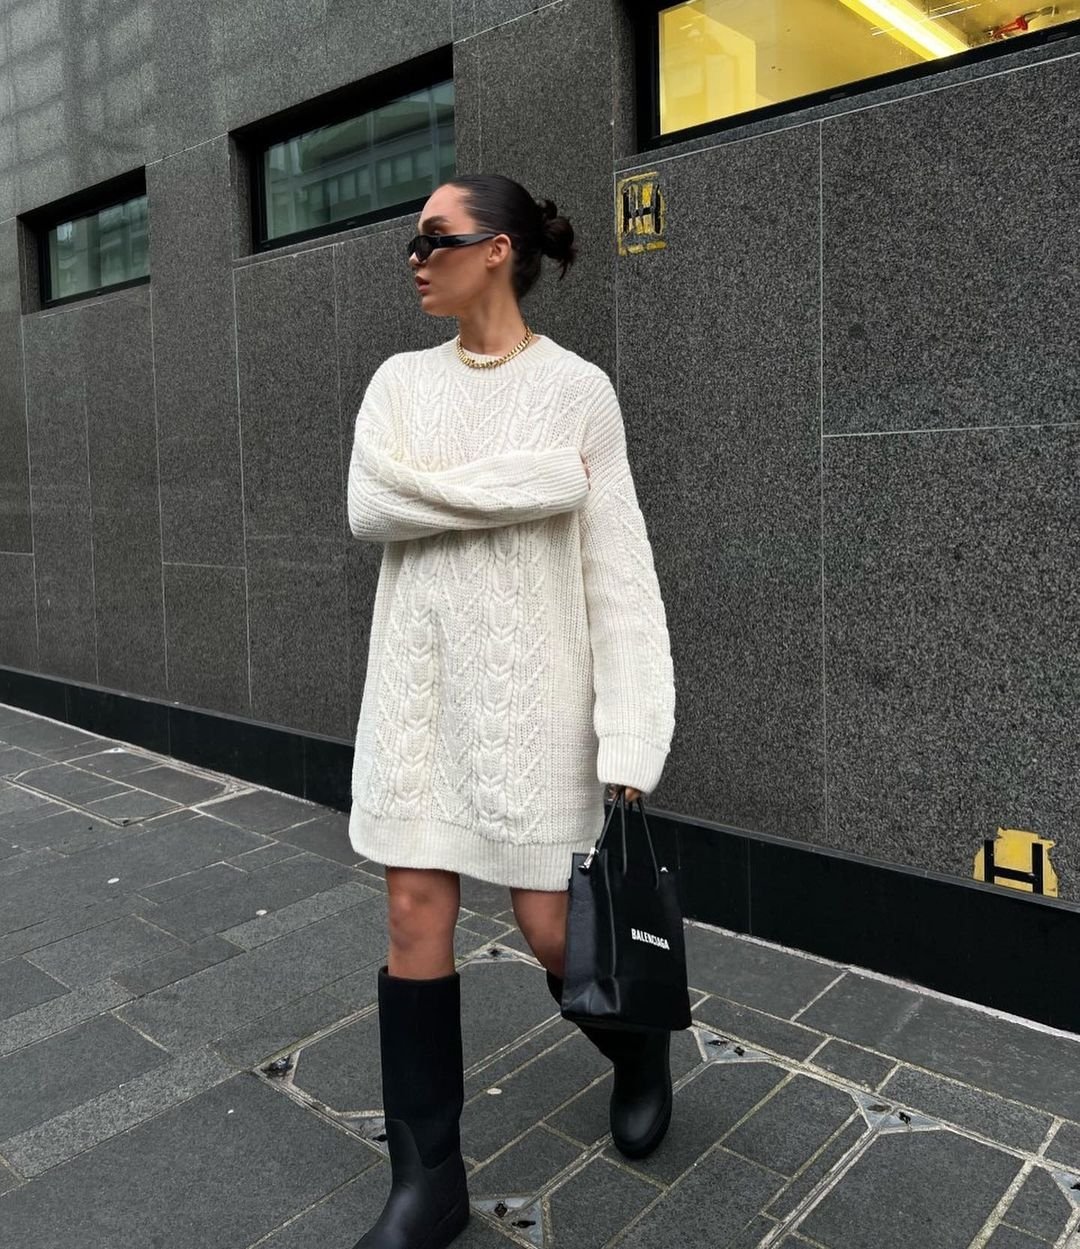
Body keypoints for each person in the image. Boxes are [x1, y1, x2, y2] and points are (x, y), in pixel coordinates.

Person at [346, 173, 676, 1249]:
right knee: (413, 913)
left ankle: (638, 1047)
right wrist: (538, 481)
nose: (414, 256)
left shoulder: (580, 393)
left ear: (497, 249)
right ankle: (428, 1181)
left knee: (550, 930)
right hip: (418, 701)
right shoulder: (399, 382)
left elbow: (618, 573)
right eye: (412, 239)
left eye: (433, 236)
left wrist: (632, 731)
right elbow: (371, 504)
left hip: (535, 711)